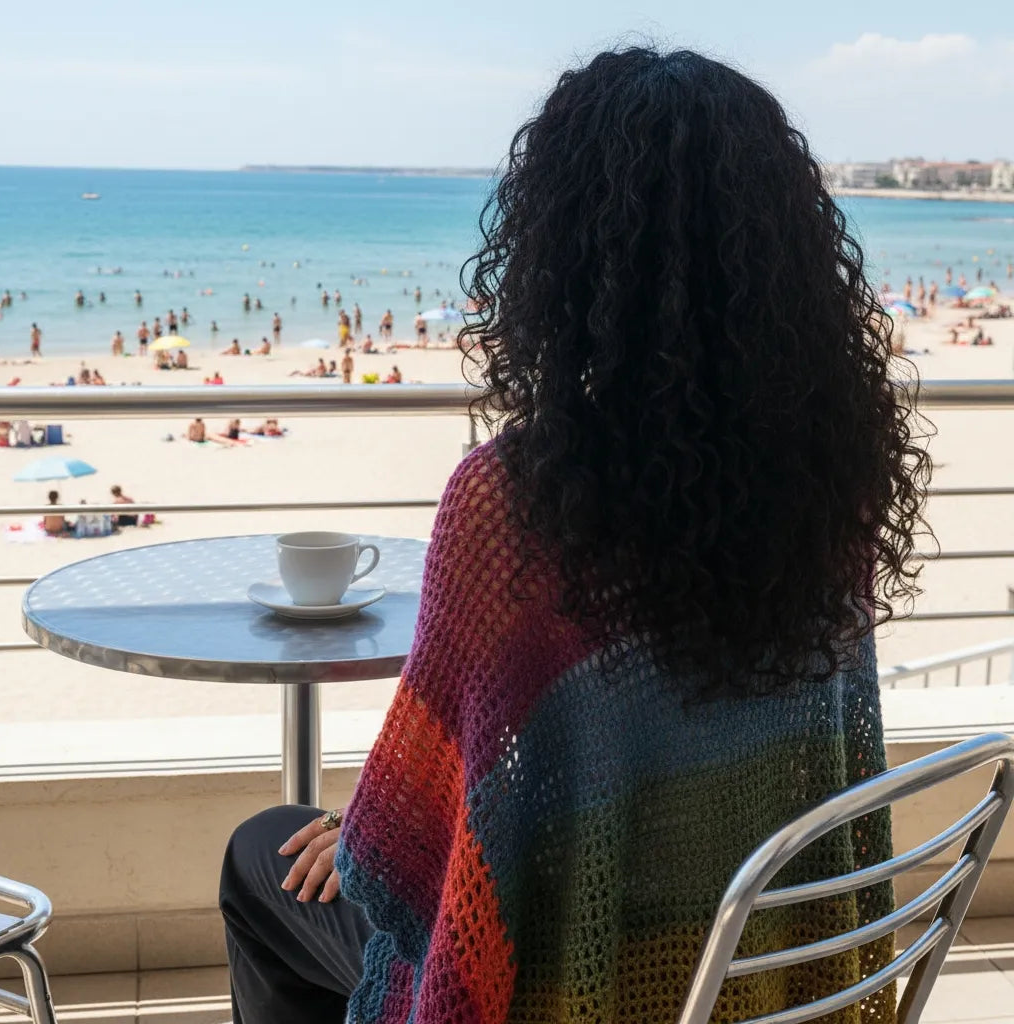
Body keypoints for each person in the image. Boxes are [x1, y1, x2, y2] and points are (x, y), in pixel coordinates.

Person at [220, 48, 928, 1024]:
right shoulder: (830, 486)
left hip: (568, 990)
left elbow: (399, 854)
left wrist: (384, 824)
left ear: (561, 250)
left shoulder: (515, 509)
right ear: (789, 255)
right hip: (760, 967)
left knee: (264, 849)